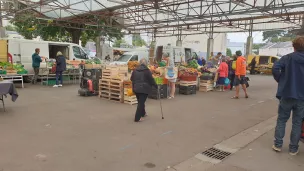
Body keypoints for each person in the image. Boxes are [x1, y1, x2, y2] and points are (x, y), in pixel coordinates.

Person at [272, 36, 304, 155]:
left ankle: (278, 145)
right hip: (302, 97)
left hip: (287, 94)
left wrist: (281, 80)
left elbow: (275, 68)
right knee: (297, 122)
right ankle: (293, 148)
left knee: (282, 120)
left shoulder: (287, 58)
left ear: (294, 47)